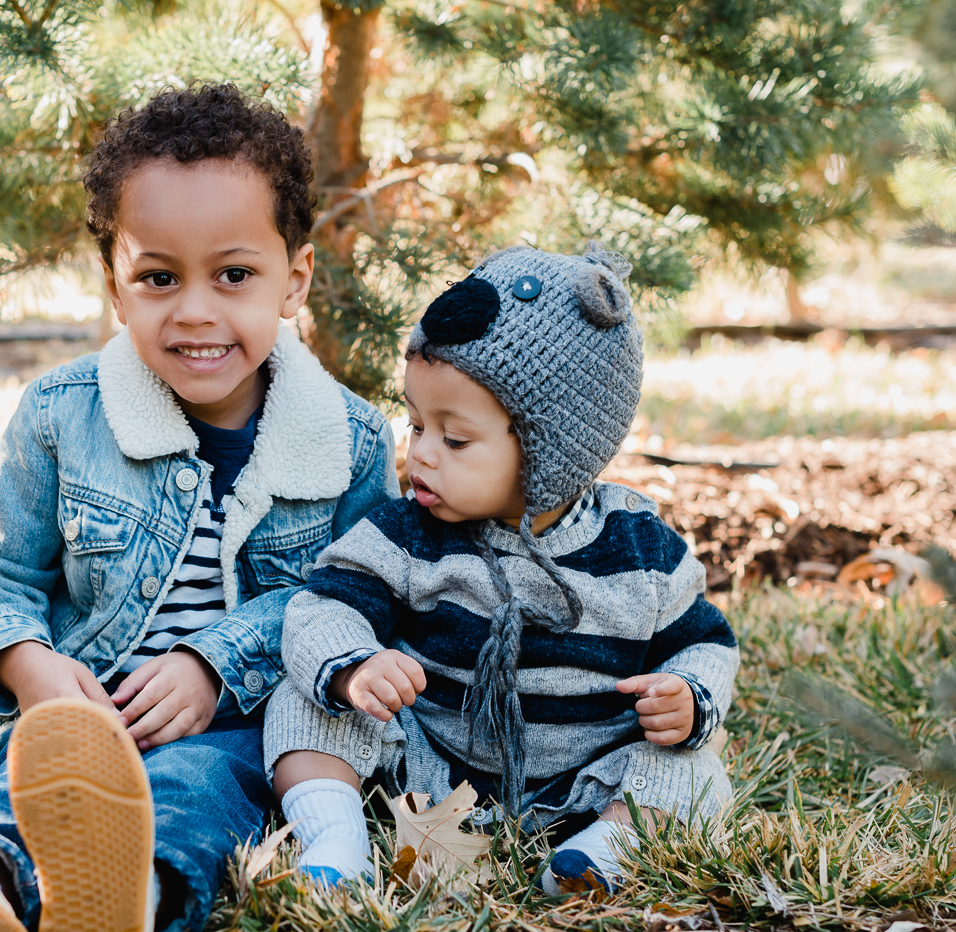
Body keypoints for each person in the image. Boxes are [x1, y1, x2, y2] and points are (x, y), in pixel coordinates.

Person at [0, 84, 399, 932]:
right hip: (72, 716)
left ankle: (122, 903)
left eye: (233, 275)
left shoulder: (347, 440)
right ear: (115, 284)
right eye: (158, 277)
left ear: (294, 279)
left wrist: (214, 663)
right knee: (24, 780)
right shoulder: (66, 415)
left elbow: (354, 598)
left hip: (241, 727)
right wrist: (30, 673)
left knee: (196, 790)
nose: (193, 311)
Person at [265, 245, 739, 893]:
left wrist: (689, 697)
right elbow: (325, 606)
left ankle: (610, 844)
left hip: (586, 775)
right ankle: (335, 839)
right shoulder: (407, 532)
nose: (421, 453)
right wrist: (353, 667)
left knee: (693, 767)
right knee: (302, 700)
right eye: (415, 424)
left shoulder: (639, 547)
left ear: (554, 449)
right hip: (433, 770)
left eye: (454, 438)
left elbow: (706, 643)